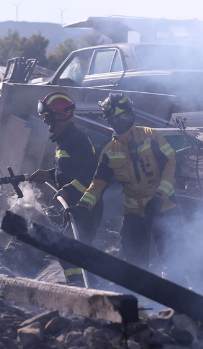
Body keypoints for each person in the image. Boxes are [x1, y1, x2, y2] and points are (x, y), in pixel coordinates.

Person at [75, 94, 179, 271]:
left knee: (175, 259)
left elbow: (172, 165)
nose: (123, 119)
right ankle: (142, 298)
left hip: (164, 209)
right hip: (134, 215)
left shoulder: (151, 136)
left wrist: (159, 197)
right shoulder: (108, 151)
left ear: (132, 114)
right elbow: (98, 183)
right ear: (110, 120)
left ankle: (181, 295)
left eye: (126, 114)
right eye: (117, 117)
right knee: (135, 263)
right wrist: (83, 205)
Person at [26, 92, 102, 287]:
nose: (46, 122)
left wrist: (68, 189)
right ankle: (84, 285)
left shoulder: (76, 139)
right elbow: (69, 169)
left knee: (68, 249)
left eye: (48, 117)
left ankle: (81, 286)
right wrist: (50, 174)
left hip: (85, 206)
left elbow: (91, 173)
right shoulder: (65, 139)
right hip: (74, 205)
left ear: (61, 116)